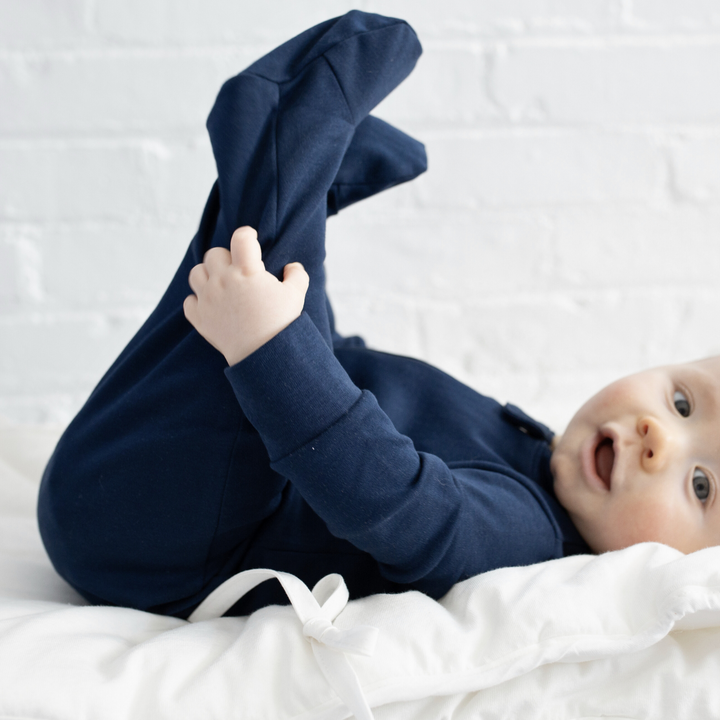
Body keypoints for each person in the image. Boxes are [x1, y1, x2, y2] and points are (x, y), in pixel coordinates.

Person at [37, 10, 720, 619]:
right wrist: (296, 337)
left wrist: (271, 345)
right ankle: (293, 177)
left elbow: (394, 498)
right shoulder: (537, 459)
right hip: (139, 497)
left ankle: (290, 144)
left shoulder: (527, 536)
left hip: (161, 537)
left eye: (701, 484)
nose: (662, 436)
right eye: (685, 400)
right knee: (248, 304)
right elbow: (364, 389)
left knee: (254, 309)